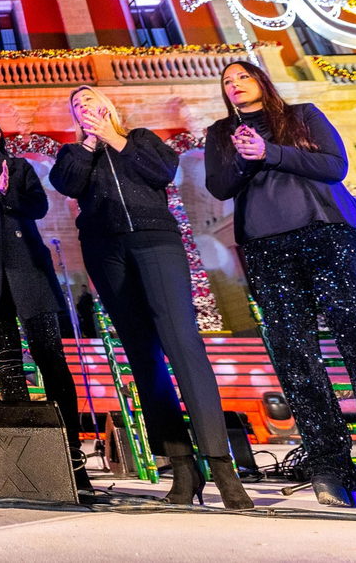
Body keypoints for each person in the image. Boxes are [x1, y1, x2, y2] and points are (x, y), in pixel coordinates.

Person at [204, 59, 356, 514]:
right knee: (294, 355)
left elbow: (334, 166)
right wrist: (246, 159)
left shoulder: (302, 115)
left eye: (242, 76)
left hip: (329, 235)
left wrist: (271, 152)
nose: (234, 84)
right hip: (267, 247)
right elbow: (220, 187)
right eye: (227, 81)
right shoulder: (219, 134)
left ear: (261, 82)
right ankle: (329, 467)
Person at [51, 86, 251, 509]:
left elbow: (163, 171)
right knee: (143, 356)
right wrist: (89, 144)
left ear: (108, 106)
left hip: (156, 241)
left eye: (90, 100)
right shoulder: (73, 154)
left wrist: (113, 137)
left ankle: (221, 466)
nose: (83, 107)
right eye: (76, 106)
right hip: (105, 250)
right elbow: (67, 183)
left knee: (183, 344)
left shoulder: (139, 137)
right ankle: (182, 467)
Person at [0, 110, 90, 493]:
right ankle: (28, 458)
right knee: (7, 364)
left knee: (49, 357)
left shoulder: (20, 167)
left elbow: (39, 208)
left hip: (28, 271)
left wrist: (7, 194)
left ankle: (72, 456)